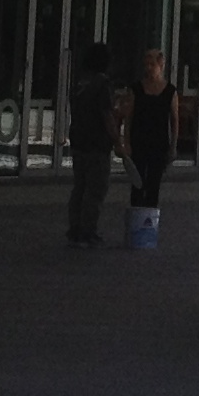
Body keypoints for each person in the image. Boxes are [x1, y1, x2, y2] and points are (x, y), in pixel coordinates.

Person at [66, 40, 116, 245]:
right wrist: (117, 140)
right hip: (97, 143)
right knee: (95, 189)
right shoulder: (102, 84)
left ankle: (75, 228)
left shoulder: (80, 83)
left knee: (79, 186)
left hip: (79, 140)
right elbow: (107, 115)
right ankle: (88, 231)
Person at [125, 48, 175, 227]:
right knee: (137, 183)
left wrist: (173, 145)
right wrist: (126, 142)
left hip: (159, 142)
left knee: (154, 183)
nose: (148, 68)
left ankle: (149, 224)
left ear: (161, 65)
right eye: (146, 64)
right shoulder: (136, 89)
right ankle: (136, 222)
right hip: (139, 140)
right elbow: (129, 117)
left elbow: (174, 120)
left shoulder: (170, 91)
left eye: (152, 64)